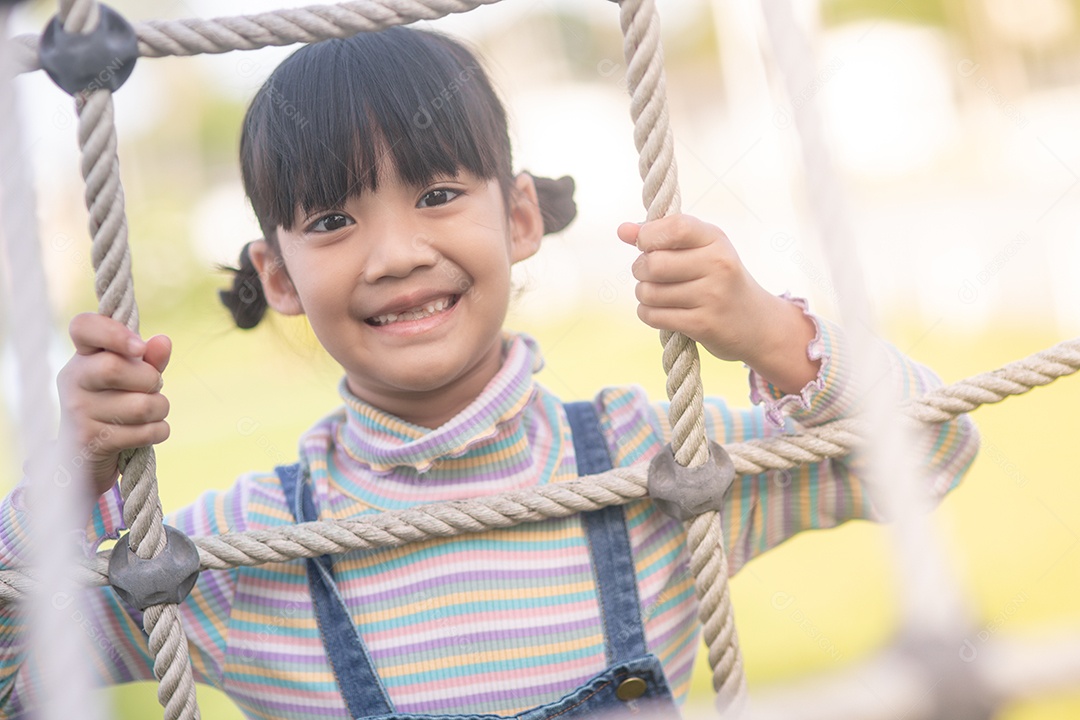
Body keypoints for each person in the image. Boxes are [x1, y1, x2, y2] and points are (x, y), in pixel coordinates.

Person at [0, 27, 979, 719]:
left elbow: (932, 449)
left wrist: (769, 330)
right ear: (277, 275)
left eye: (435, 193)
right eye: (333, 220)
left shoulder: (657, 465)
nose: (393, 253)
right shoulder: (237, 555)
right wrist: (71, 477)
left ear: (517, 220)